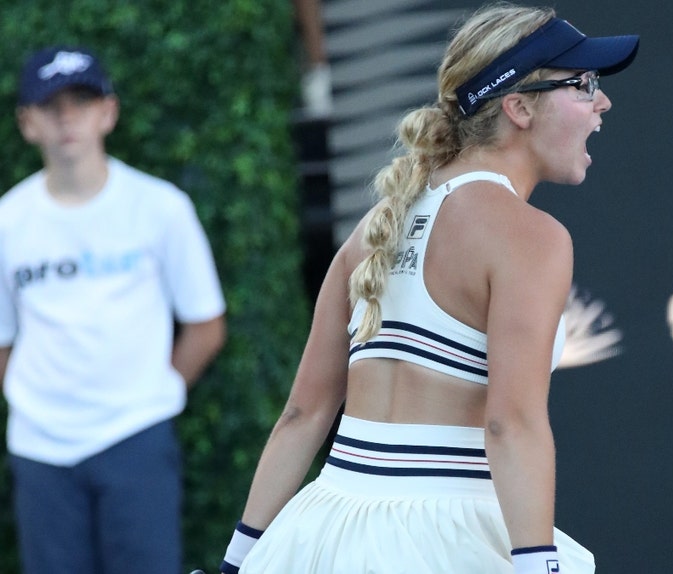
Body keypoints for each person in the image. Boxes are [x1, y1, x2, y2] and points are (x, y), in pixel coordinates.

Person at [220, 3, 638, 573]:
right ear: (518, 107)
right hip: (443, 539)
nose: (602, 102)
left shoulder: (377, 226)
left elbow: (303, 414)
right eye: (583, 84)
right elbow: (509, 423)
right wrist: (542, 565)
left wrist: (236, 564)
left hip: (318, 532)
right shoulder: (533, 237)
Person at [0, 45, 227, 574]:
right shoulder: (7, 222)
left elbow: (206, 325)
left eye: (81, 100)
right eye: (50, 104)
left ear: (109, 111)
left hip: (136, 439)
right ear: (27, 123)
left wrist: (154, 395)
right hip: (41, 452)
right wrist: (34, 405)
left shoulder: (161, 207)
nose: (66, 117)